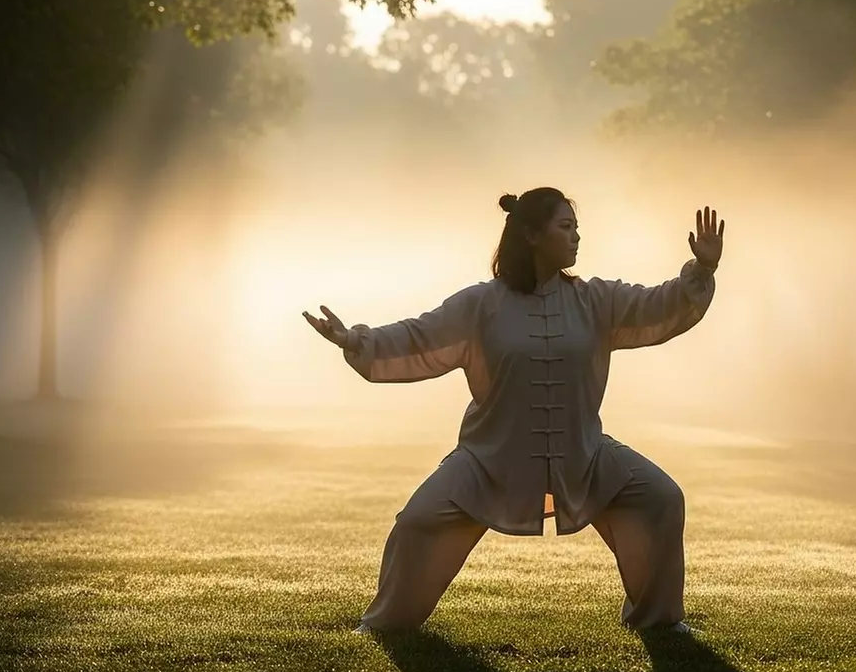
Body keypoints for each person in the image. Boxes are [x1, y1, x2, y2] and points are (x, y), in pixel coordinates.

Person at [303, 187, 725, 635]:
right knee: (418, 521)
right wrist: (356, 340)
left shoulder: (595, 300)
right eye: (566, 227)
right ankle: (384, 625)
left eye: (576, 228)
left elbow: (657, 303)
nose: (577, 237)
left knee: (659, 498)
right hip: (488, 459)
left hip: (583, 454)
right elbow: (419, 336)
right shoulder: (481, 304)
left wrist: (702, 269)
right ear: (532, 235)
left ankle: (659, 621)